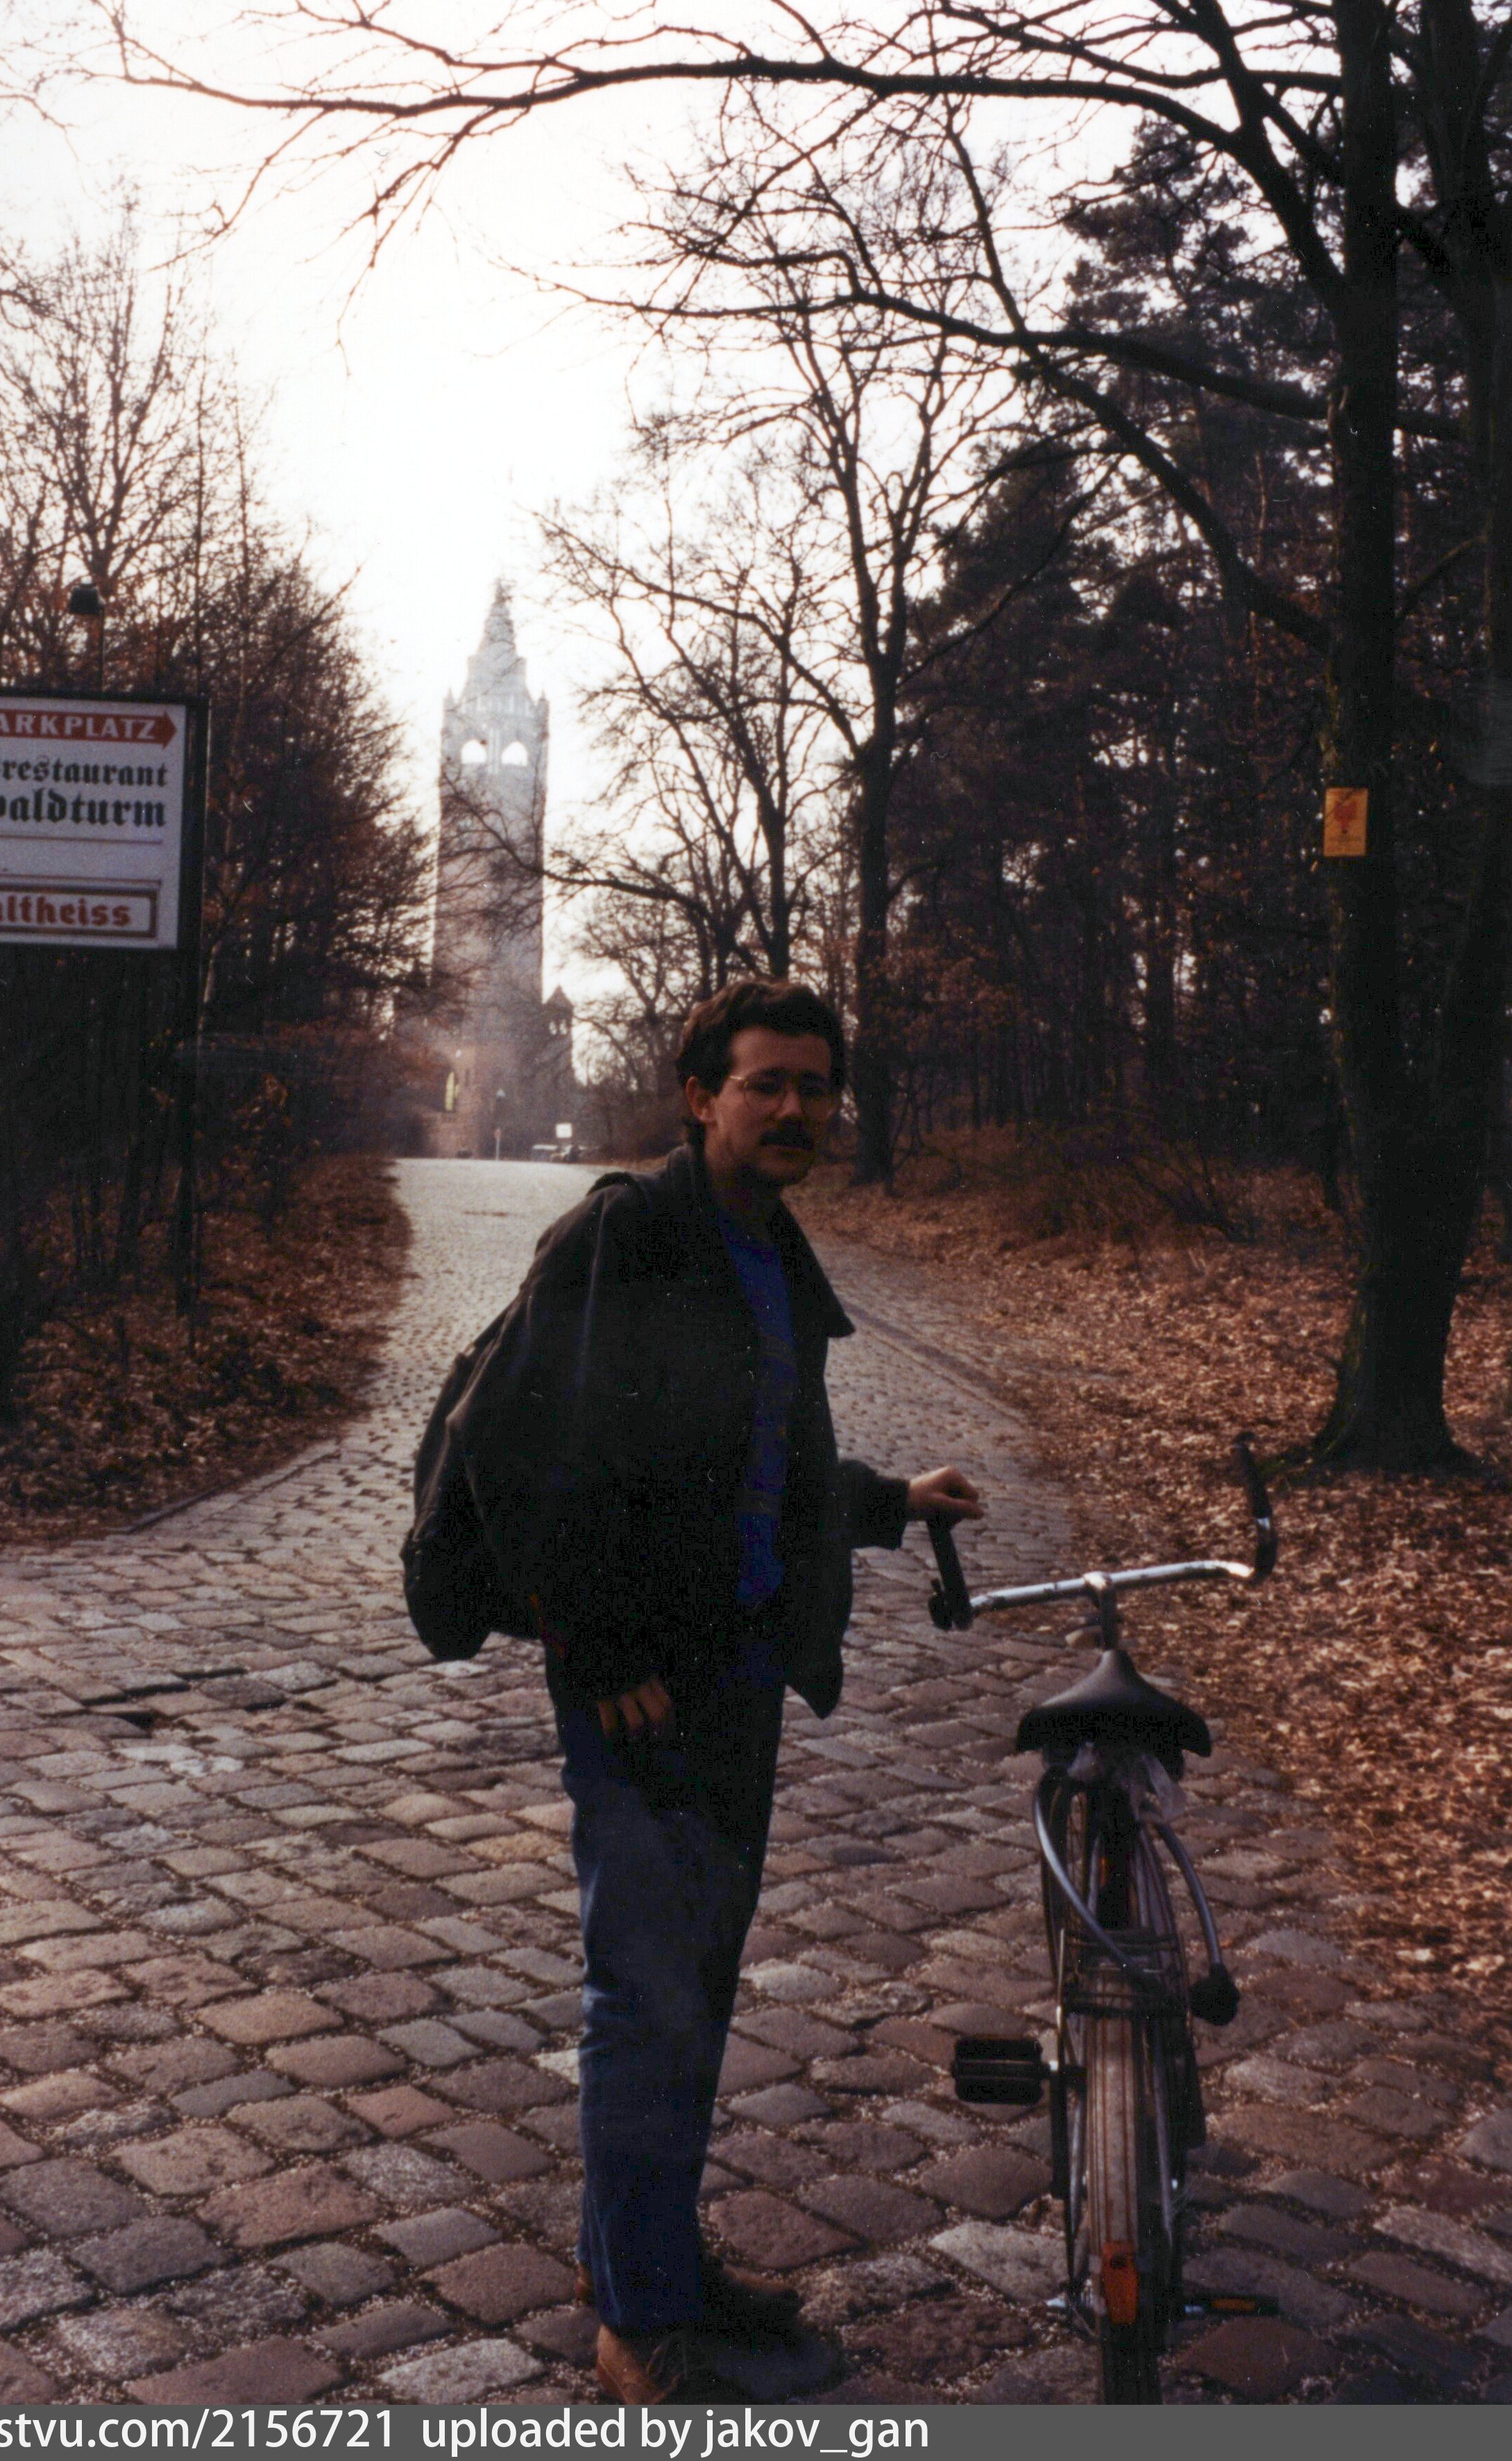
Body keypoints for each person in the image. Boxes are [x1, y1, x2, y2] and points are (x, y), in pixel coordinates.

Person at [457, 979, 981, 2403]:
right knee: (646, 1994)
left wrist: (887, 1500)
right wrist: (598, 1649)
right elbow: (518, 1450)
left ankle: (645, 2262)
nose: (796, 1108)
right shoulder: (630, 1232)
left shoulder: (766, 1246)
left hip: (741, 1671)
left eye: (815, 1085)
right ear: (701, 1097)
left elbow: (763, 1465)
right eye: (767, 1083)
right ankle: (640, 2323)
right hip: (642, 1684)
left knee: (692, 1982)